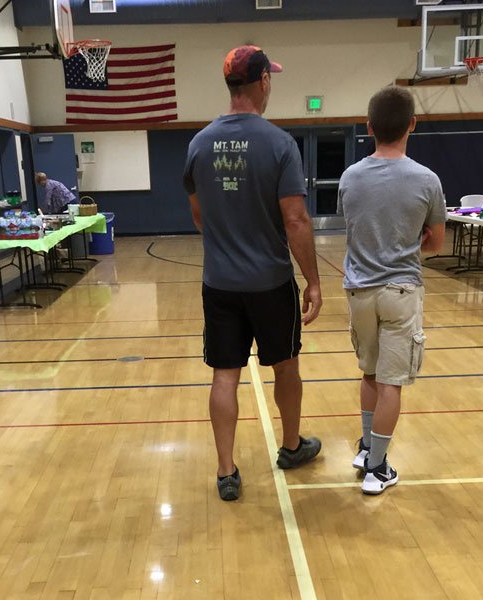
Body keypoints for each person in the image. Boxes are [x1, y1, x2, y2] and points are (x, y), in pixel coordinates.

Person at [183, 46, 323, 501]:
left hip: (220, 283)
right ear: (263, 81)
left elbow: (199, 216)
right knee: (285, 365)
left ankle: (226, 471)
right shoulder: (280, 144)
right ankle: (291, 446)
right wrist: (313, 281)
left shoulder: (198, 144)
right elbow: (296, 220)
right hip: (270, 283)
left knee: (225, 375)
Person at [338, 86, 445, 495]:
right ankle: (377, 468)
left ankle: (367, 448)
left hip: (359, 290)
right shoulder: (427, 180)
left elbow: (354, 228)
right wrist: (412, 241)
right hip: (401, 290)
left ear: (369, 127)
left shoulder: (350, 177)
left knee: (369, 372)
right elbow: (436, 244)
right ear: (412, 125)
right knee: (391, 383)